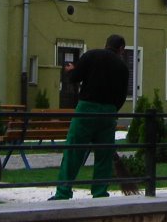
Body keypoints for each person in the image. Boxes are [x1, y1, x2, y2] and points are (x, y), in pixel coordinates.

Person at [49, 33, 130, 200]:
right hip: (108, 112)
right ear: (121, 49)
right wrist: (112, 109)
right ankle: (99, 192)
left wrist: (72, 70)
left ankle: (63, 192)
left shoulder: (91, 55)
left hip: (86, 108)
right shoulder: (122, 67)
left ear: (106, 44)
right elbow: (121, 96)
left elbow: (75, 78)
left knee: (73, 150)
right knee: (104, 155)